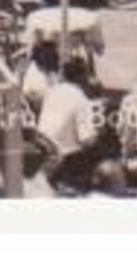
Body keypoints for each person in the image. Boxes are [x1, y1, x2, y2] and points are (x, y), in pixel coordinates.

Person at [36, 58, 102, 190]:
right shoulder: (81, 100)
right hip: (65, 159)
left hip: (43, 150)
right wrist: (100, 133)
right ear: (83, 77)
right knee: (103, 152)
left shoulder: (52, 91)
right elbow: (87, 141)